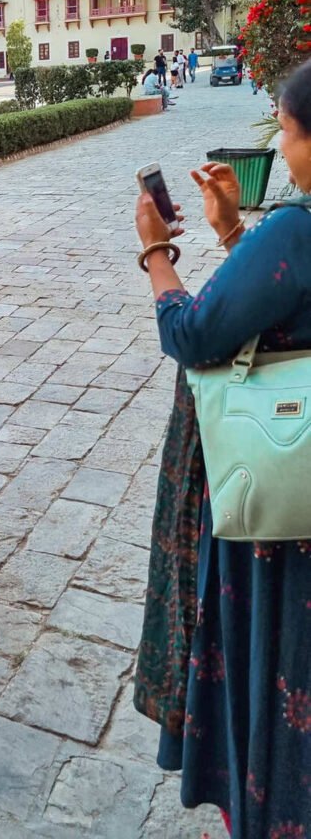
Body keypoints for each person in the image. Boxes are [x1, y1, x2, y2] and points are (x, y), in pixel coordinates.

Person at [133, 58, 311, 839]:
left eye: (287, 125)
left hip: (281, 497)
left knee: (276, 667)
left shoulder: (299, 230)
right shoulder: (285, 235)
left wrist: (156, 255)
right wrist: (236, 233)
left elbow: (197, 334)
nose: (282, 139)